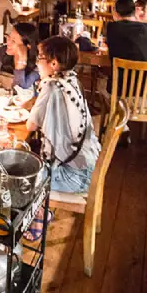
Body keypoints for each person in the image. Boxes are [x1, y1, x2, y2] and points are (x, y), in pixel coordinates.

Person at [25, 37, 100, 239]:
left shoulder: (51, 87)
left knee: (22, 178)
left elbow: (30, 125)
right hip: (88, 164)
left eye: (40, 58)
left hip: (75, 177)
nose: (36, 62)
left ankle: (39, 216)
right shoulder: (72, 79)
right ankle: (42, 209)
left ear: (54, 63)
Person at [0, 23, 40, 90]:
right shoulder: (2, 52)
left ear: (28, 46)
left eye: (13, 41)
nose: (8, 42)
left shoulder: (37, 65)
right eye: (9, 37)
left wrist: (21, 64)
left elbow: (20, 91)